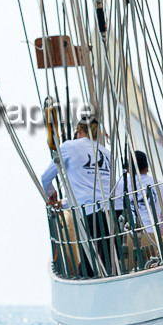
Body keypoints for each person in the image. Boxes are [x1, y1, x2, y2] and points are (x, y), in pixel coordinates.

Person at [39, 115, 115, 273]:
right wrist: (65, 203)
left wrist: (51, 193)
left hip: (88, 214)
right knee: (109, 263)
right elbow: (95, 187)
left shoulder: (69, 147)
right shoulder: (107, 153)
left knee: (88, 265)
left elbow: (46, 178)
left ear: (79, 130)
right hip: (109, 213)